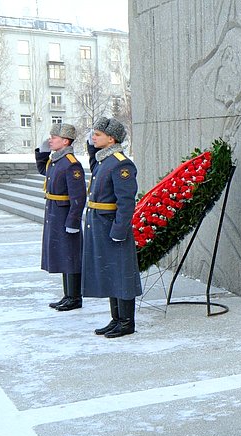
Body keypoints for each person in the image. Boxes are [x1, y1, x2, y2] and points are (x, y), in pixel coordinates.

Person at [83, 117, 142, 338]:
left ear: (111, 138)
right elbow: (92, 154)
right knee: (110, 272)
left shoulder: (120, 163)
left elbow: (126, 202)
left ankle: (127, 322)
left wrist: (119, 230)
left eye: (97, 135)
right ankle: (116, 319)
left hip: (112, 226)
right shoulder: (104, 160)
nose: (92, 138)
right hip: (101, 224)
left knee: (121, 273)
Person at [34, 123, 86, 311]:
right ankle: (68, 295)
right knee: (64, 256)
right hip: (55, 214)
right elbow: (44, 171)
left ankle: (75, 297)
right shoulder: (56, 161)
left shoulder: (71, 164)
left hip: (64, 215)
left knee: (71, 257)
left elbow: (79, 197)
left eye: (54, 138)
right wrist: (42, 152)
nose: (51, 140)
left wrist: (73, 221)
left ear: (65, 141)